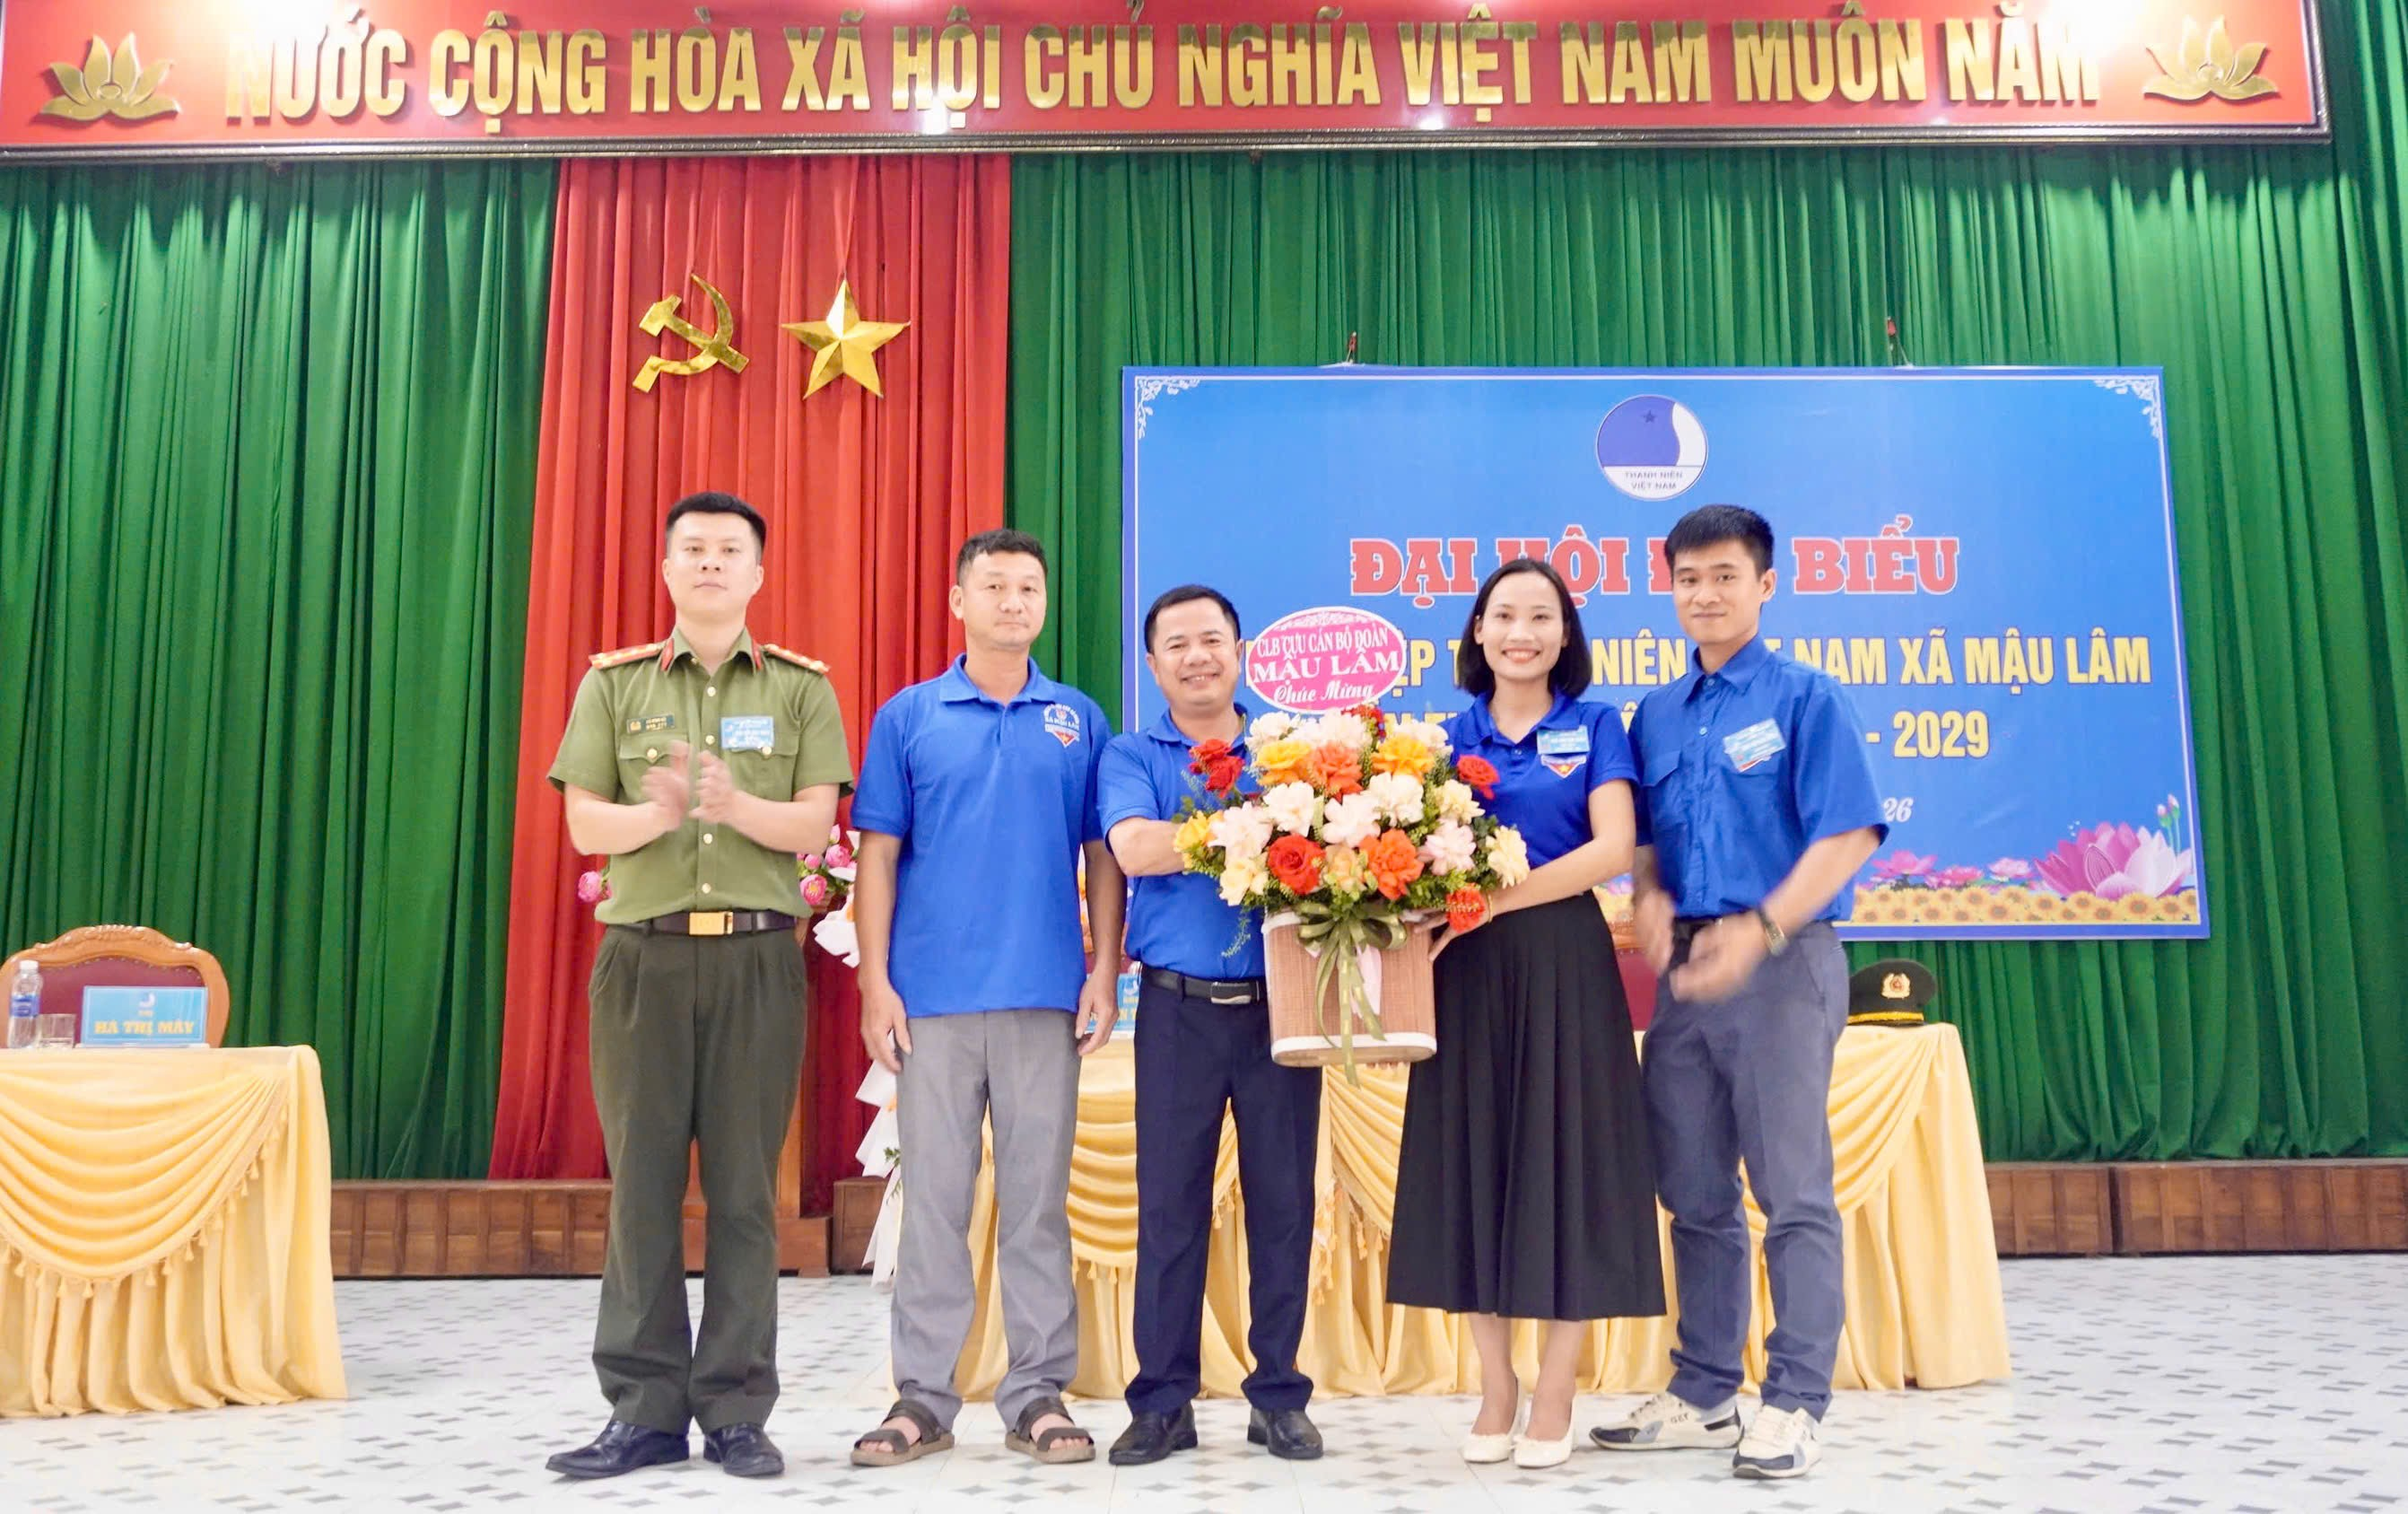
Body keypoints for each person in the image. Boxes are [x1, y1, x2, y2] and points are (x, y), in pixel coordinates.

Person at [545, 491, 853, 1482]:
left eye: (729, 549)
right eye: (694, 548)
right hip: (642, 959)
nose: (711, 562)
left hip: (755, 962)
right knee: (639, 1186)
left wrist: (733, 803)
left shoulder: (801, 689)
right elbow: (585, 824)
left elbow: (814, 824)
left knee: (744, 1193)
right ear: (668, 567)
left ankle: (735, 1409)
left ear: (758, 572)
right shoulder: (614, 684)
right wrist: (661, 814)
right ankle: (641, 1411)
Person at [1591, 503, 1885, 1481]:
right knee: (1692, 1190)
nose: (1705, 594)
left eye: (1725, 576)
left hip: (1781, 965)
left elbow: (1848, 833)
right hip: (1684, 976)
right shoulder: (1655, 713)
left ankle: (1794, 1400)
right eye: (1688, 578)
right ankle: (1705, 1387)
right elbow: (1645, 841)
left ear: (1765, 585)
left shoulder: (1806, 697)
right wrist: (1645, 894)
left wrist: (1760, 929)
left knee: (1791, 1191)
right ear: (1667, 587)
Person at [847, 529, 1126, 1469]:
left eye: (1028, 587)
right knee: (933, 1200)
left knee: (1038, 1202)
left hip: (1045, 996)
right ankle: (922, 1397)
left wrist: (1103, 966)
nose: (1013, 602)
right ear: (958, 600)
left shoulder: (1076, 718)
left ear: (1044, 603)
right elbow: (877, 853)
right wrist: (874, 981)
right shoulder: (909, 716)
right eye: (995, 585)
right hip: (929, 1000)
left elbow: (1101, 853)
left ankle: (1037, 1391)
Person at [1387, 557, 1664, 1471]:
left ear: (1564, 633)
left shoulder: (1596, 725)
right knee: (1473, 1161)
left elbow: (1612, 848)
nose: (1521, 632)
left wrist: (1495, 900)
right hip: (1461, 968)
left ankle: (1555, 1388)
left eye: (1541, 616)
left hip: (1562, 960)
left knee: (1566, 1162)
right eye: (1503, 614)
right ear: (1477, 630)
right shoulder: (1435, 743)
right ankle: (1495, 1385)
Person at [1100, 585, 1325, 1467]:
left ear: (1241, 652)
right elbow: (1134, 848)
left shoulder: (1290, 751)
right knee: (1169, 1209)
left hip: (1282, 1006)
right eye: (1176, 644)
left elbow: (1324, 848)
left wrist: (1196, 835)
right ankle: (1162, 1401)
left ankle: (1279, 1395)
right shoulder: (1132, 752)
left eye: (1211, 639)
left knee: (1284, 1206)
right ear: (1153, 664)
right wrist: (1259, 825)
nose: (1196, 656)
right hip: (1175, 1010)